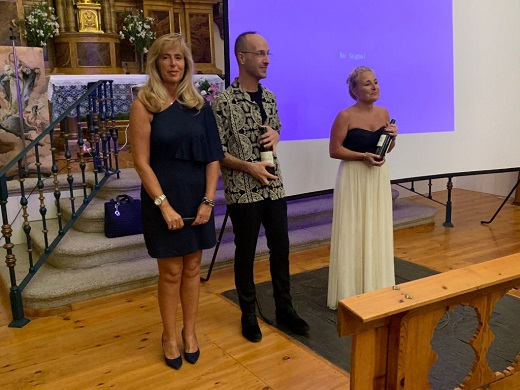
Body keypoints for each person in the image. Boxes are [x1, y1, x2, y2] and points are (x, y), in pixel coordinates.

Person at [128, 33, 224, 369]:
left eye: (179, 58)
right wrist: (163, 205)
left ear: (187, 64)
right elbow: (141, 161)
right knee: (170, 271)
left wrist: (208, 202)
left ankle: (190, 332)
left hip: (198, 198)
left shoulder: (199, 106)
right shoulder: (144, 105)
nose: (173, 64)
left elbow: (213, 157)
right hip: (162, 199)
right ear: (156, 63)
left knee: (193, 267)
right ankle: (169, 335)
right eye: (166, 57)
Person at [212, 31, 309, 342]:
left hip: (274, 187)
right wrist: (247, 166)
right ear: (242, 58)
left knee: (281, 249)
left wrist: (277, 135)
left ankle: (285, 310)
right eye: (259, 53)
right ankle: (248, 313)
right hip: (244, 191)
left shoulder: (269, 97)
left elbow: (275, 127)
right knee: (247, 253)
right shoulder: (223, 102)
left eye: (268, 53)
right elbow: (217, 151)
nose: (267, 59)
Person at [327, 66, 398, 310]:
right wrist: (362, 156)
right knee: (353, 229)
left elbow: (386, 149)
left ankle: (375, 286)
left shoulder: (384, 113)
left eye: (376, 82)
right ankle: (351, 289)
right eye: (367, 83)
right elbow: (334, 150)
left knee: (375, 228)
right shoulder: (345, 116)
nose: (374, 86)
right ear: (354, 90)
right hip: (354, 177)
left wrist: (393, 138)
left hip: (377, 178)